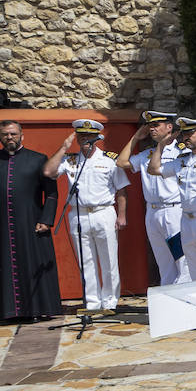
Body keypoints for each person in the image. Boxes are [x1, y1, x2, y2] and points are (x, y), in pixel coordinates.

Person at [43, 120, 128, 313]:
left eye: (89, 136)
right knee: (85, 260)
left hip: (103, 212)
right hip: (78, 215)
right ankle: (92, 302)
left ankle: (109, 302)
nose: (85, 139)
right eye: (81, 136)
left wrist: (121, 216)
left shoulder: (109, 160)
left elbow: (122, 190)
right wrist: (63, 148)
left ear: (97, 137)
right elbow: (48, 171)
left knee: (109, 259)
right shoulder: (70, 160)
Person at [0, 120, 60, 320]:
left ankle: (36, 311)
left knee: (32, 264)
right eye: (5, 134)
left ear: (22, 135)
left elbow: (51, 194)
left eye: (13, 133)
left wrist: (46, 220)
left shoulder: (38, 159)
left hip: (31, 223)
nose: (9, 137)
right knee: (2, 265)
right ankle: (6, 312)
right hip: (0, 225)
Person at [117, 111, 188, 284]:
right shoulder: (147, 154)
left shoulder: (182, 151)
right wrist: (135, 138)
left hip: (174, 210)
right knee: (163, 263)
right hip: (153, 212)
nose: (151, 129)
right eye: (150, 126)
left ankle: (184, 302)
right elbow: (121, 162)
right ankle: (167, 303)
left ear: (169, 127)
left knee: (182, 261)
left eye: (156, 125)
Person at [150, 117, 196, 280]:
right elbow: (154, 169)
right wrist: (161, 145)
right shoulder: (182, 160)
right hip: (186, 220)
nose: (186, 137)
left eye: (190, 133)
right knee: (193, 268)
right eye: (184, 133)